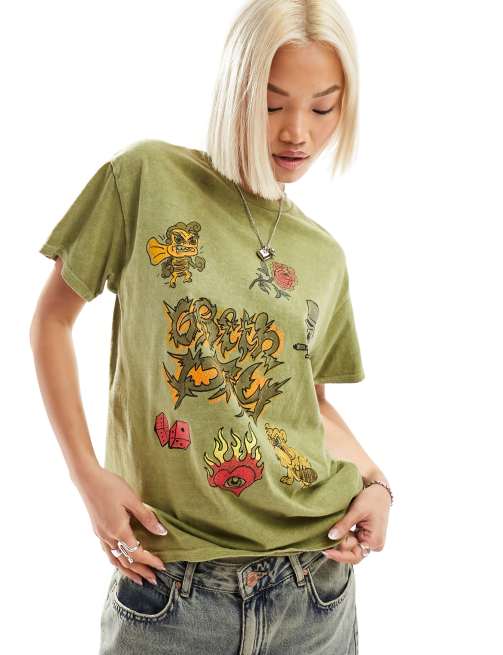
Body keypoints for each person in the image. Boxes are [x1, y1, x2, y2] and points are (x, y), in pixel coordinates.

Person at [30, 1, 393, 653]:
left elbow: (308, 407)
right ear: (237, 91)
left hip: (313, 588)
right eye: (273, 103)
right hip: (173, 587)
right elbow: (51, 321)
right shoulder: (147, 176)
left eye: (323, 108)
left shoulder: (323, 255)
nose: (297, 133)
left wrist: (378, 483)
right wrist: (88, 476)